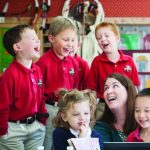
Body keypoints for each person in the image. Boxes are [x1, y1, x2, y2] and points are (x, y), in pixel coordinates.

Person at [0, 24, 48, 150]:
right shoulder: (10, 75)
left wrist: (42, 122)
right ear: (17, 47)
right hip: (13, 130)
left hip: (35, 127)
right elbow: (3, 106)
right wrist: (3, 132)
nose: (37, 40)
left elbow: (41, 98)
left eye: (37, 38)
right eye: (32, 38)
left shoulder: (37, 70)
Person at [36, 16, 79, 150]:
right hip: (49, 109)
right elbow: (37, 92)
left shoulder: (74, 63)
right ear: (51, 39)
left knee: (65, 142)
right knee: (48, 141)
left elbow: (75, 87)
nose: (70, 44)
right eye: (65, 39)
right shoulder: (42, 63)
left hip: (68, 109)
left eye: (72, 40)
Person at [88, 22, 140, 101]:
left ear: (117, 38)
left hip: (126, 102)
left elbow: (135, 86)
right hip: (104, 103)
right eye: (99, 38)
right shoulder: (97, 62)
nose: (103, 39)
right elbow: (92, 89)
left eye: (107, 36)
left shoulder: (129, 61)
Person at [94, 73, 137, 142]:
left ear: (128, 90)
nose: (108, 91)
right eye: (106, 88)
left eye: (115, 86)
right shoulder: (101, 126)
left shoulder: (142, 122)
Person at [62, 0, 104, 66]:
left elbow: (100, 18)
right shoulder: (75, 31)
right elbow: (65, 21)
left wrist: (98, 4)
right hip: (76, 66)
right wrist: (66, 5)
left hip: (91, 65)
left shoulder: (94, 32)